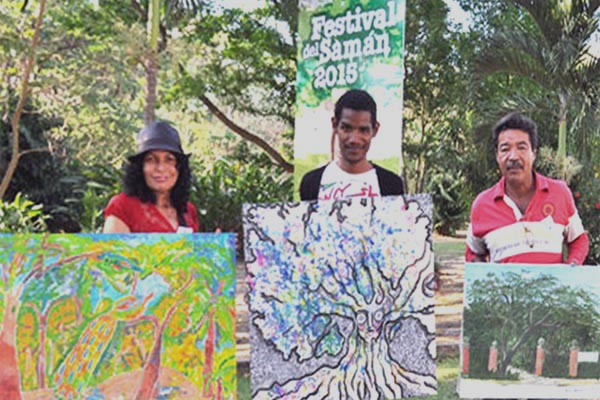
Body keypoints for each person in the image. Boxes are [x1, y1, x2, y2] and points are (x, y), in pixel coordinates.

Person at [465, 112, 589, 264]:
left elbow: (579, 240)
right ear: (497, 156)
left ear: (533, 154)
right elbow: (473, 254)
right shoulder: (482, 205)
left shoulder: (559, 193)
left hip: (553, 288)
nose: (513, 156)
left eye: (521, 148)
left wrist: (572, 267)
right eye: (505, 149)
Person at [299, 89, 404, 201]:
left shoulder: (391, 185)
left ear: (375, 130)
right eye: (347, 128)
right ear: (335, 125)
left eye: (363, 130)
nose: (354, 139)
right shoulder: (311, 183)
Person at [103, 121, 199, 233]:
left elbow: (191, 250)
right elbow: (112, 249)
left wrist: (214, 247)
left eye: (169, 160)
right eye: (151, 159)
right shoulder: (122, 206)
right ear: (140, 168)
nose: (161, 168)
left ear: (179, 168)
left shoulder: (188, 210)